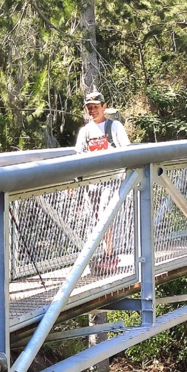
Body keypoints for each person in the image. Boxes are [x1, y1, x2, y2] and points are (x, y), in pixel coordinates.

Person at [74, 90, 131, 275]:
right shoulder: (85, 131)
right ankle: (107, 254)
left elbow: (127, 151)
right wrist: (72, 181)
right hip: (92, 182)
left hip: (112, 180)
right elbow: (77, 157)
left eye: (96, 107)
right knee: (97, 217)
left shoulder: (114, 127)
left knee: (105, 215)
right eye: (89, 108)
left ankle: (108, 255)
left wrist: (128, 174)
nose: (92, 111)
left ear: (104, 107)